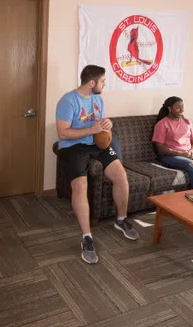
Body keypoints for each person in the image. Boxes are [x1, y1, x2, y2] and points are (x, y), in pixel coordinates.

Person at [56, 65, 138, 264]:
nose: (104, 84)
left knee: (121, 176)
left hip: (96, 143)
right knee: (80, 186)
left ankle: (121, 220)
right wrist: (90, 129)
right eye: (102, 81)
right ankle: (87, 237)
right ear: (92, 83)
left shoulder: (98, 99)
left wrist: (106, 124)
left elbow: (99, 124)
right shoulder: (68, 101)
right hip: (73, 147)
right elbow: (63, 133)